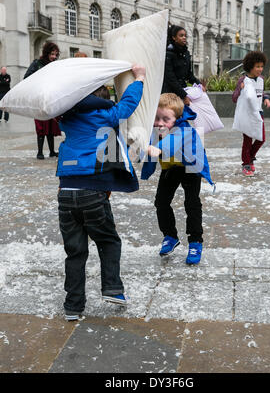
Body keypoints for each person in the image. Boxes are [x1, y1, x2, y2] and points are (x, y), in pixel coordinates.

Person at [56, 65, 145, 321]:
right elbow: (128, 104)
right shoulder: (104, 115)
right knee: (108, 241)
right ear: (101, 100)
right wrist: (138, 78)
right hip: (92, 190)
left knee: (75, 252)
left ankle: (73, 307)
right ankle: (113, 289)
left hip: (66, 192)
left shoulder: (66, 117)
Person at [141, 93, 214, 266]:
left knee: (192, 203)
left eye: (165, 119)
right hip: (171, 168)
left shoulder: (184, 129)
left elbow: (172, 142)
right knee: (161, 202)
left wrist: (157, 149)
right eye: (157, 117)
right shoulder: (157, 129)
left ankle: (195, 241)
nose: (160, 122)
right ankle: (170, 236)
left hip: (190, 168)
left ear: (178, 117)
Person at [232, 51, 270, 177]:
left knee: (261, 139)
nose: (260, 69)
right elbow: (234, 98)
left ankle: (250, 157)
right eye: (257, 66)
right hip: (247, 114)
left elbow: (260, 92)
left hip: (258, 113)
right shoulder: (243, 80)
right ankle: (246, 164)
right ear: (250, 66)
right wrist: (240, 89)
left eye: (261, 66)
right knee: (248, 140)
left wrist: (265, 98)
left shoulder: (261, 80)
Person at [24, 42, 62, 160]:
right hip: (39, 98)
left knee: (51, 124)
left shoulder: (55, 65)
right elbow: (27, 77)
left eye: (56, 54)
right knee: (41, 125)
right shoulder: (37, 63)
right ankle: (40, 152)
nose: (54, 57)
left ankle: (51, 151)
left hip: (51, 98)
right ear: (46, 53)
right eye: (52, 54)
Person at [162, 25, 201, 106]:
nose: (184, 38)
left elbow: (189, 74)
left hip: (182, 89)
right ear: (174, 38)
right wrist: (183, 96)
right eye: (181, 35)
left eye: (185, 35)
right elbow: (171, 78)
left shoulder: (186, 53)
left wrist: (199, 84)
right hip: (170, 93)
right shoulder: (168, 54)